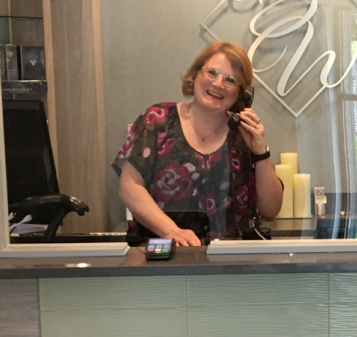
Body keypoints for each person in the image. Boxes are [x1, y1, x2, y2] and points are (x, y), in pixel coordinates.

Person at [113, 40, 282, 245]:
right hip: (162, 261)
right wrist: (171, 231)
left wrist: (260, 152)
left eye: (231, 80)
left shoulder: (241, 135)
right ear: (195, 75)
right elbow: (129, 187)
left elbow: (271, 208)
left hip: (226, 265)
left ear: (242, 94)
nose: (218, 84)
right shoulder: (158, 121)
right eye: (212, 73)